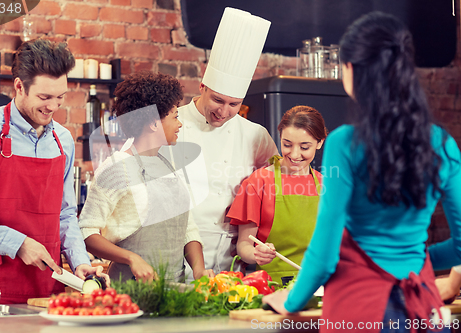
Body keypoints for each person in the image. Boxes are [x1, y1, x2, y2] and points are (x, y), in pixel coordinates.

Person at [263, 11, 461, 332]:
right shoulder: (442, 144)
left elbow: (325, 253)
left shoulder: (346, 142)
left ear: (352, 68)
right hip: (422, 309)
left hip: (361, 310)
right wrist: (417, 260)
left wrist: (289, 301)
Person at [0, 39, 106, 304]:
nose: (53, 106)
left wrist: (80, 261)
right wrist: (17, 243)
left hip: (48, 291)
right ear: (19, 86)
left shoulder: (62, 140)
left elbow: (64, 214)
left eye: (60, 97)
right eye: (44, 97)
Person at [168, 7, 279, 278]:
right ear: (202, 85)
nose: (224, 111)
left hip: (232, 261)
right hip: (175, 258)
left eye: (234, 104)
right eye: (217, 100)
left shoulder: (255, 135)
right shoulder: (170, 125)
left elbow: (278, 186)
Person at [78, 72, 214, 283]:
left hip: (172, 289)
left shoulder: (170, 166)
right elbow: (87, 233)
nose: (180, 124)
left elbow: (188, 228)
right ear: (153, 123)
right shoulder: (117, 167)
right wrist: (132, 258)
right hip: (129, 289)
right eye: (174, 116)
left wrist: (198, 270)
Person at [227, 106, 327, 284]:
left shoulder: (326, 186)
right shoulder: (258, 183)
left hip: (318, 284)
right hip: (270, 285)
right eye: (287, 144)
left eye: (304, 147)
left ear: (320, 143)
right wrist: (256, 254)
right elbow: (244, 245)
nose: (294, 154)